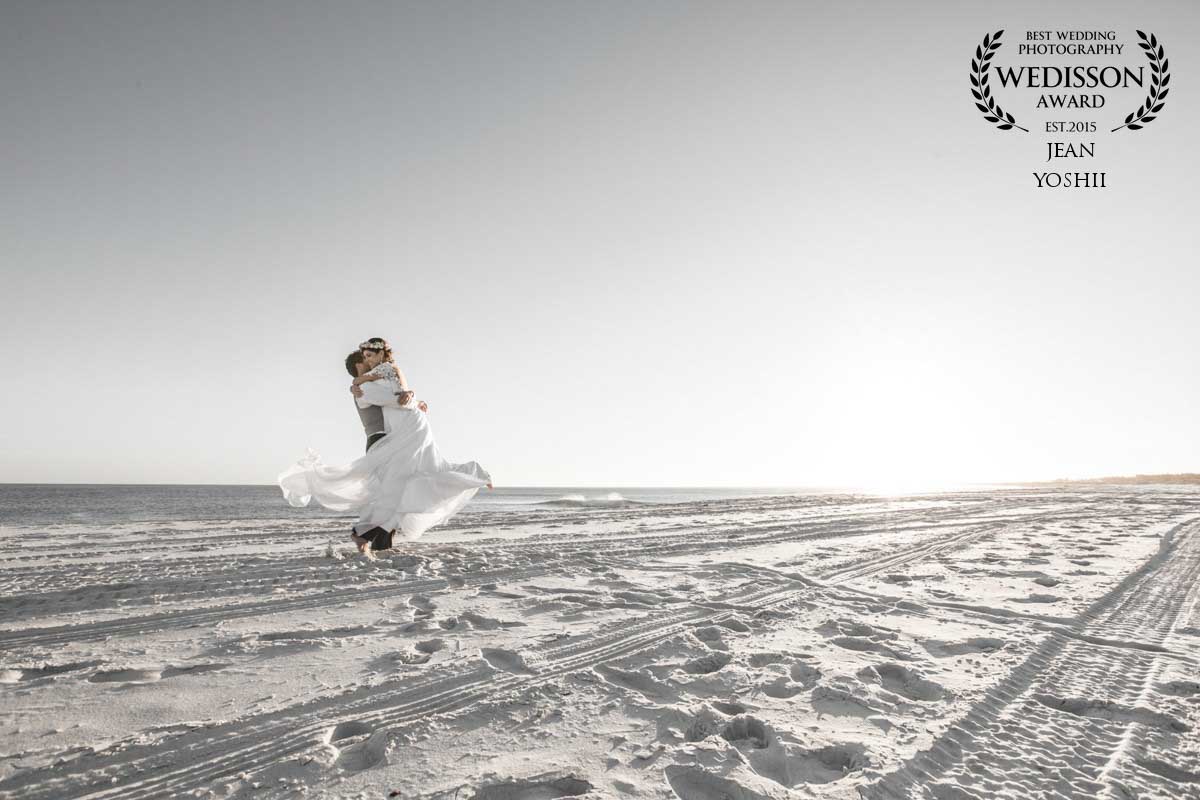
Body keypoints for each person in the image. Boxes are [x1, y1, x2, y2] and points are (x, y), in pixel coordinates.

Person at [280, 337, 491, 556]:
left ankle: (376, 540)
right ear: (357, 368)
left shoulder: (374, 381)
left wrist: (413, 398)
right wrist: (404, 396)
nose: (367, 361)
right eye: (363, 360)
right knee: (391, 488)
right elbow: (394, 399)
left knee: (396, 488)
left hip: (394, 437)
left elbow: (397, 396)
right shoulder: (361, 389)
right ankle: (368, 536)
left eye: (369, 356)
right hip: (381, 440)